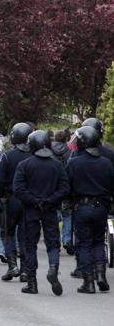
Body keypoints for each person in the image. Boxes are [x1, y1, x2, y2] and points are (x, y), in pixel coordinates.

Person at [13, 130, 69, 295]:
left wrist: (34, 200)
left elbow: (18, 189)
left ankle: (32, 282)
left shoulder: (25, 165)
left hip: (31, 209)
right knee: (53, 243)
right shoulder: (57, 165)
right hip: (50, 209)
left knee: (30, 245)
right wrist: (50, 199)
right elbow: (65, 188)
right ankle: (53, 267)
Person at [66, 126, 112, 293]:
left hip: (82, 206)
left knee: (84, 243)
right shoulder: (106, 163)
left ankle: (88, 281)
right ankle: (101, 275)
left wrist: (68, 200)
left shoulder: (74, 163)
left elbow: (66, 186)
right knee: (98, 241)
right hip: (101, 207)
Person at [0, 122, 34, 283]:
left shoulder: (8, 155)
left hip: (11, 198)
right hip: (29, 200)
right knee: (25, 236)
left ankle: (12, 265)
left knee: (8, 233)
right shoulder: (34, 155)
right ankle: (25, 270)